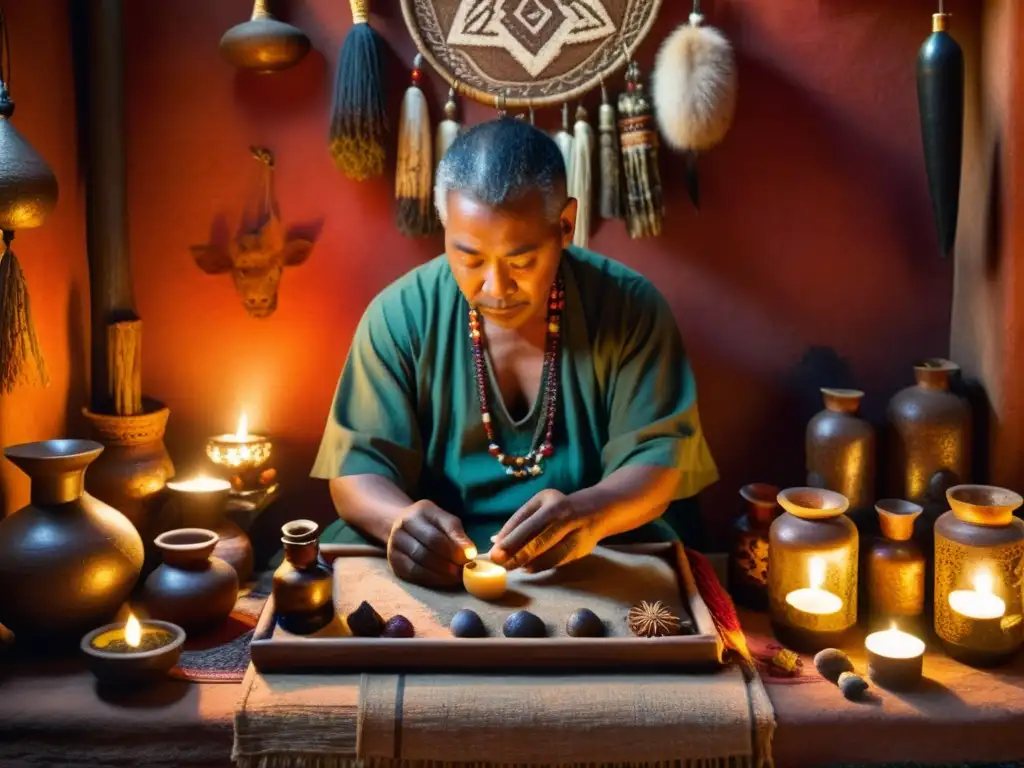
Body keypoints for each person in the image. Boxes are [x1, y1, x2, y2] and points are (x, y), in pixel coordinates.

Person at [312, 118, 718, 587]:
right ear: (445, 225)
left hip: (595, 547)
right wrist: (398, 523)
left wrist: (591, 511)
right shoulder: (401, 314)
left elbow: (657, 461)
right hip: (439, 566)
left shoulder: (629, 307)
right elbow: (356, 471)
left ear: (565, 225)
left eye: (522, 261)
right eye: (469, 258)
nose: (496, 287)